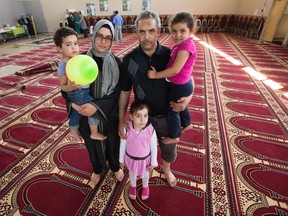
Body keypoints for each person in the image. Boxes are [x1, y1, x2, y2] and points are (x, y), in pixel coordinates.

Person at [119, 11, 192, 188]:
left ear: (158, 31)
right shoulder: (129, 60)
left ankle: (166, 169)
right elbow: (125, 92)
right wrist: (122, 119)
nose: (147, 36)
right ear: (136, 32)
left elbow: (188, 77)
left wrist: (188, 99)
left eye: (151, 31)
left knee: (168, 149)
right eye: (142, 31)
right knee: (141, 150)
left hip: (168, 114)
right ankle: (145, 167)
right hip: (143, 119)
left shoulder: (171, 54)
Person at [61, 20, 124, 187]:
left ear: (112, 40)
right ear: (93, 36)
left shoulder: (117, 63)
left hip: (108, 113)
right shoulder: (78, 60)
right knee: (92, 144)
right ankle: (96, 169)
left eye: (108, 38)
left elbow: (117, 93)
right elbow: (65, 89)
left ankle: (116, 167)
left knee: (112, 142)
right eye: (100, 36)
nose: (103, 41)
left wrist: (95, 106)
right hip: (83, 112)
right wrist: (75, 105)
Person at [148, 12, 196, 144]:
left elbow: (175, 70)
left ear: (191, 31)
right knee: (180, 104)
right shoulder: (181, 44)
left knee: (172, 109)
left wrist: (156, 75)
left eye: (182, 31)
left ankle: (174, 136)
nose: (177, 35)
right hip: (180, 84)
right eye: (174, 31)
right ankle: (187, 123)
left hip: (180, 85)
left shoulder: (186, 46)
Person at [53, 27, 106, 141]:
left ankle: (73, 131)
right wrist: (70, 87)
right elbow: (62, 86)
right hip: (78, 92)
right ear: (59, 48)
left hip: (81, 91)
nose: (74, 47)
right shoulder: (64, 65)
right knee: (92, 109)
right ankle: (94, 133)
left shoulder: (77, 59)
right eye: (68, 44)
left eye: (76, 43)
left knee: (78, 112)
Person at [119, 100, 158, 200]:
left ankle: (145, 186)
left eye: (145, 115)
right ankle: (133, 186)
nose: (142, 120)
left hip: (144, 160)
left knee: (145, 174)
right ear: (131, 117)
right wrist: (121, 160)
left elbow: (153, 146)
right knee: (132, 173)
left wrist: (154, 161)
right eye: (138, 116)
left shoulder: (150, 130)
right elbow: (123, 144)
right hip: (131, 158)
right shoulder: (126, 129)